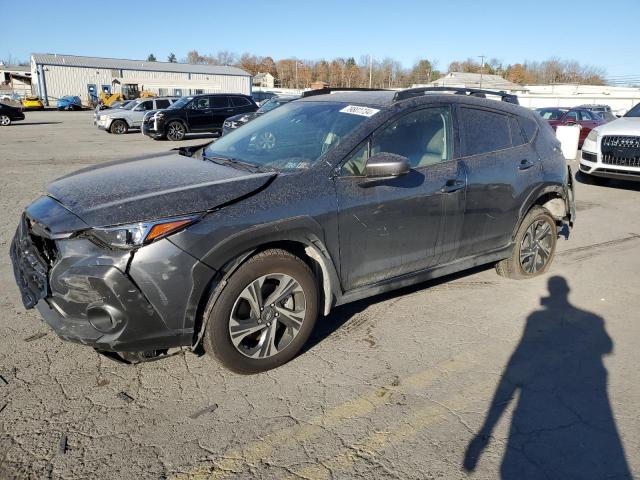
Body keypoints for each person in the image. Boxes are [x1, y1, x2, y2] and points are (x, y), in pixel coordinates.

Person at [464, 276, 631, 479]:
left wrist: (487, 428)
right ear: (567, 291)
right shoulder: (594, 320)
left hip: (535, 402)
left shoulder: (536, 318)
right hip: (583, 402)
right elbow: (607, 346)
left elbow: (515, 361)